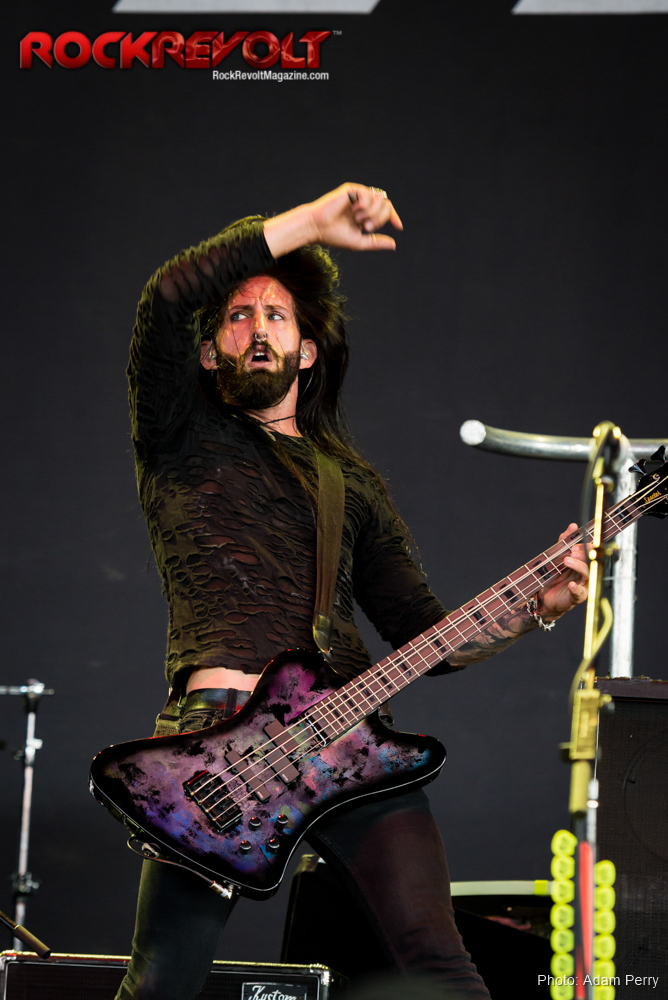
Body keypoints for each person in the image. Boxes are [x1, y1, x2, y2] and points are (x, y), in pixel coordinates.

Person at [116, 183, 589, 1000]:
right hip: (222, 744)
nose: (256, 327)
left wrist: (534, 611)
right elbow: (166, 295)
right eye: (237, 316)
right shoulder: (177, 436)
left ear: (305, 351)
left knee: (441, 966)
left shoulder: (352, 485)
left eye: (275, 315)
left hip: (350, 741)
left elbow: (425, 633)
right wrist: (309, 225)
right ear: (208, 354)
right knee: (162, 984)